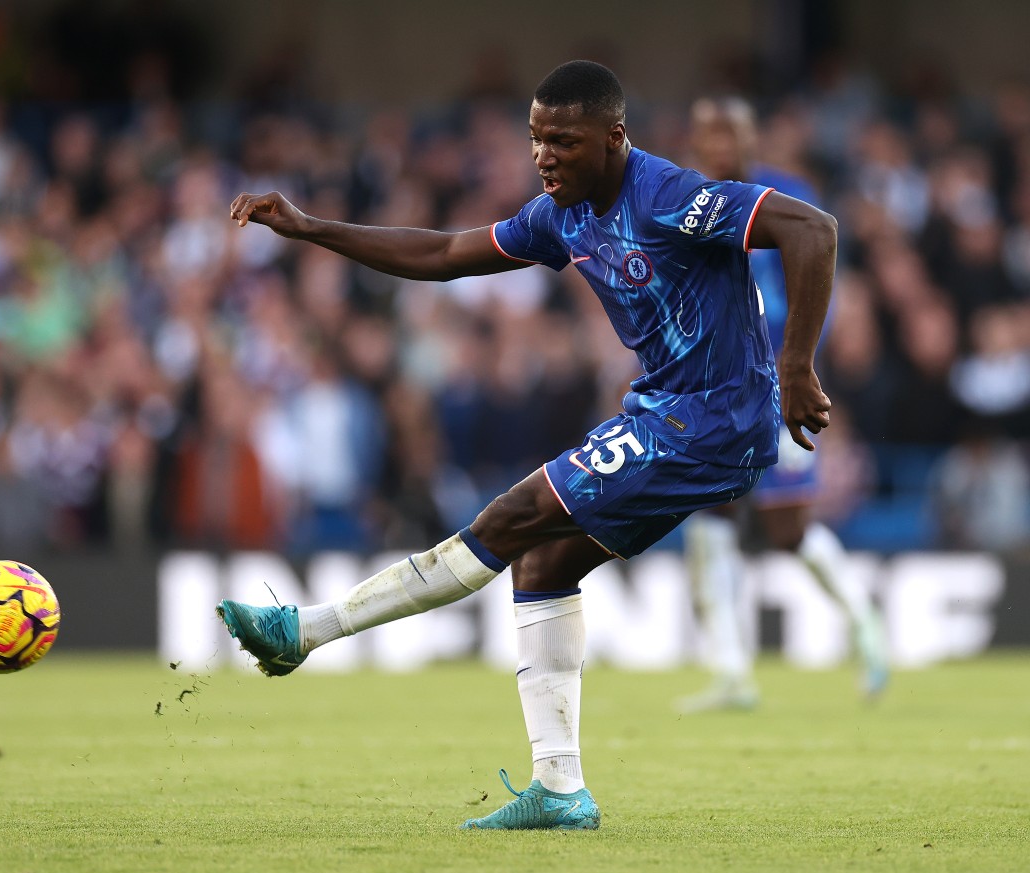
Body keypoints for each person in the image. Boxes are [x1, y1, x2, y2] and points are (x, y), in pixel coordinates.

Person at [216, 61, 837, 831]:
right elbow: (444, 255)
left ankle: (304, 632)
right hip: (668, 415)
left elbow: (812, 228)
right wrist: (314, 229)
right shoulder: (561, 215)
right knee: (543, 561)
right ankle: (559, 788)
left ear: (614, 138)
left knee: (511, 515)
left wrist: (797, 363)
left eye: (564, 142)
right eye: (537, 139)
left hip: (713, 419)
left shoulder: (670, 195)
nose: (544, 156)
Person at [676, 97, 888, 713]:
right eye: (708, 133)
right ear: (696, 140)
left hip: (775, 383)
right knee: (709, 518)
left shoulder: (783, 194)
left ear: (749, 136)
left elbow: (818, 279)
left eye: (730, 131)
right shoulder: (684, 202)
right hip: (712, 389)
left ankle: (864, 621)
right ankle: (732, 671)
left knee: (787, 529)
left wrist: (802, 364)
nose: (719, 143)